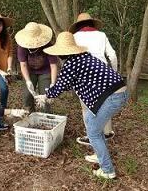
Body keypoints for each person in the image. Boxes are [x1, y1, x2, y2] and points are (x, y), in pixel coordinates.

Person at [35, 32, 128, 179]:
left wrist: (45, 96)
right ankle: (100, 156)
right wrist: (50, 94)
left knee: (93, 133)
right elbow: (66, 84)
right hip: (117, 93)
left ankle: (108, 170)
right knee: (94, 128)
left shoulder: (71, 64)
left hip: (112, 97)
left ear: (61, 54)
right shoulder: (84, 56)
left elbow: (59, 87)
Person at [69, 12, 118, 145]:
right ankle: (107, 133)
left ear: (78, 25)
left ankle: (92, 136)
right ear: (91, 23)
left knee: (87, 108)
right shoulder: (102, 35)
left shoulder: (74, 37)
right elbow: (112, 56)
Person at [15, 22, 58, 113]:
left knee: (45, 96)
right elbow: (23, 65)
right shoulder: (22, 47)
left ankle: (46, 115)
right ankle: (30, 114)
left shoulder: (48, 45)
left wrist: (53, 84)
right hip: (30, 72)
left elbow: (53, 66)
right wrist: (27, 81)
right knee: (27, 95)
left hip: (45, 71)